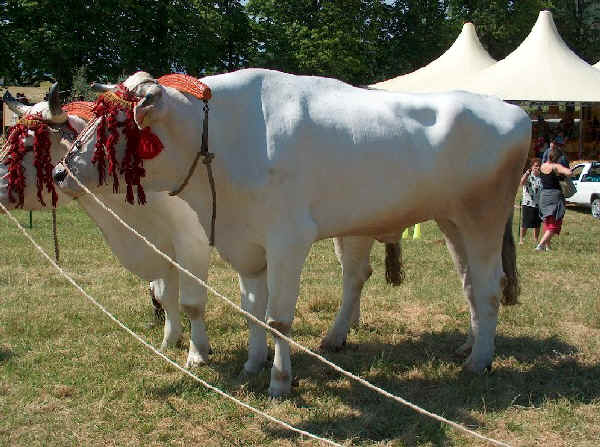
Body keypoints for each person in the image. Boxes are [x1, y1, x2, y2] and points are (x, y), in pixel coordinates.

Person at [536, 146, 572, 251]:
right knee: (555, 223)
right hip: (554, 195)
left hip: (544, 196)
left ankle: (547, 246)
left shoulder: (542, 166)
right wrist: (562, 170)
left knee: (547, 221)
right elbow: (569, 172)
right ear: (557, 157)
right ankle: (541, 245)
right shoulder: (555, 166)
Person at [519, 158, 543, 244]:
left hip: (538, 204)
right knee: (525, 222)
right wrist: (526, 173)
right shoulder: (528, 175)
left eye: (539, 166)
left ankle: (536, 239)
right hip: (528, 203)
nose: (538, 167)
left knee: (537, 223)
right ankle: (521, 239)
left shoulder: (542, 176)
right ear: (532, 167)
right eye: (536, 166)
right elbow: (522, 183)